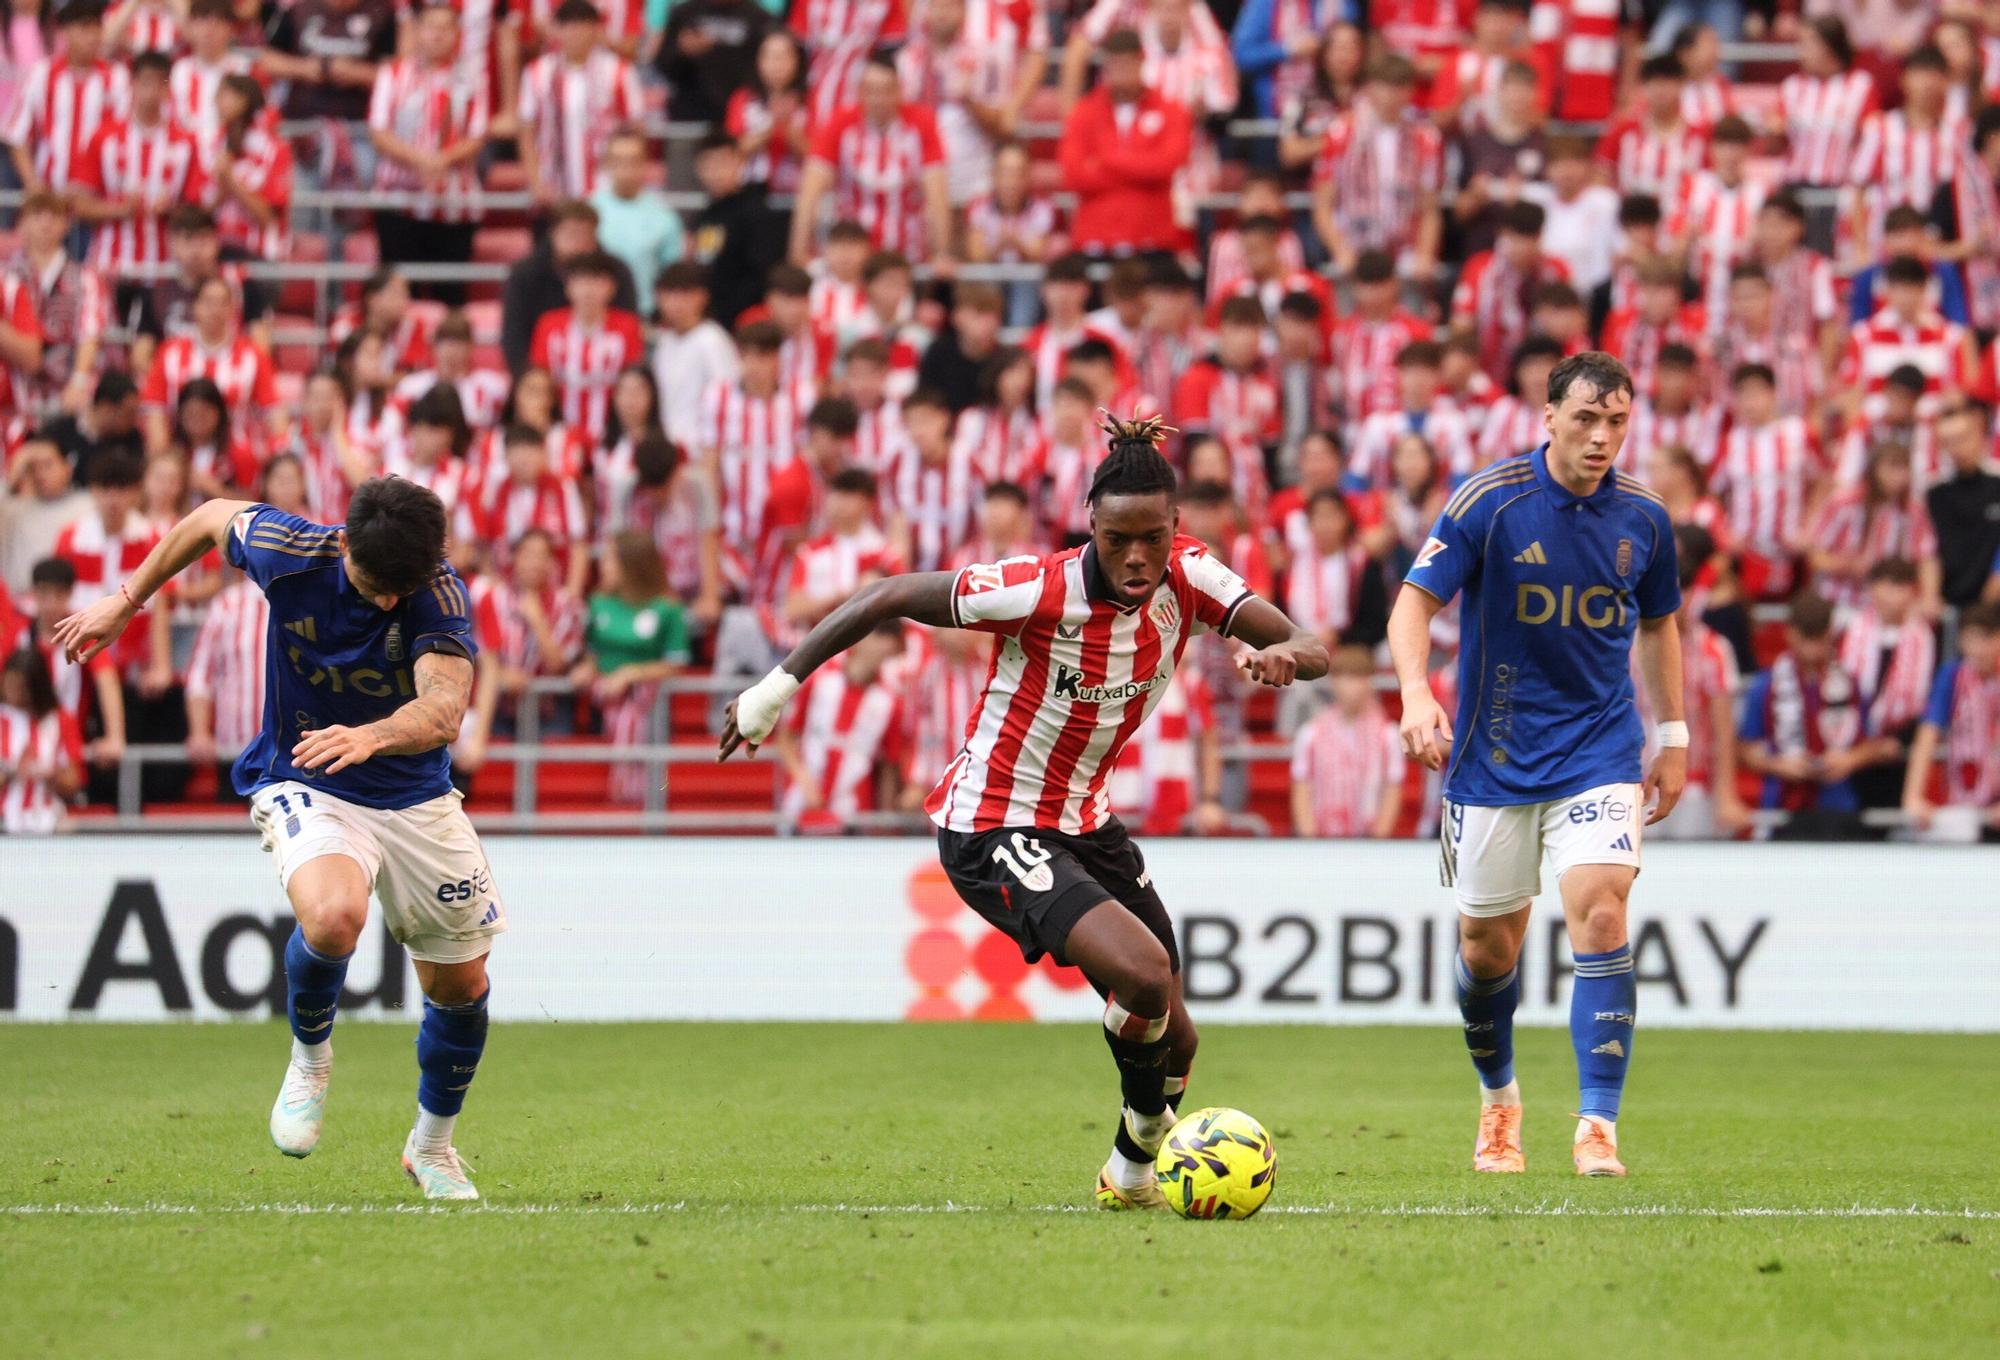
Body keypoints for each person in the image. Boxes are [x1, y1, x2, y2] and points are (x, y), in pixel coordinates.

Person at [718, 413, 1330, 1208]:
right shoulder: (1037, 588)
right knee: (1145, 977)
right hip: (993, 822)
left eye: (1152, 538)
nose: (1136, 556)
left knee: (1177, 1036)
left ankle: (1130, 1171)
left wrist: (1285, 655)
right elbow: (887, 595)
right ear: (1091, 527)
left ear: (1175, 527)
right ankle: (1150, 1143)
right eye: (1117, 540)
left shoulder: (1193, 574)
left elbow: (1312, 645)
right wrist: (774, 690)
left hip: (1085, 820)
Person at [52, 477, 500, 1200]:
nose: (391, 602)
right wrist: (127, 600)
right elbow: (207, 517)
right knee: (333, 915)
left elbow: (445, 709)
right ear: (344, 545)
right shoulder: (288, 551)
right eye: (378, 588)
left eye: (402, 591)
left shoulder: (436, 589)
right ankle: (310, 1058)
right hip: (307, 774)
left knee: (462, 985)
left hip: (415, 795)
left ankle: (432, 1147)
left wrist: (372, 736)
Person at [1391, 351, 1687, 1179]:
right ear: (1548, 417)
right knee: (1488, 949)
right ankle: (1499, 1103)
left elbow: (1660, 624)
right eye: (1586, 419)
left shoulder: (1646, 518)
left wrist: (1673, 734)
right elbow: (1413, 603)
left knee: (1602, 913)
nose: (1601, 438)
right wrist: (1415, 693)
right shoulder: (1490, 502)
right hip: (1493, 758)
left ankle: (1598, 1125)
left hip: (1599, 749)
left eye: (1616, 422)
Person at [1058, 28, 1193, 259]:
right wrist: (1142, 168)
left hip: (1153, 239)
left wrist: (1106, 160)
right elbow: (1073, 174)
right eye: (1115, 65)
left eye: (1127, 64)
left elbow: (1169, 163)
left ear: (1141, 63)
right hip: (1095, 239)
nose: (1121, 73)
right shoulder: (1083, 113)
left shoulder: (1171, 110)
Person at [1902, 601, 2000, 842]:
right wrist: (1912, 796)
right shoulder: (1953, 675)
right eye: (1970, 641)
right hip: (1966, 793)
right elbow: (1928, 734)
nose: (1977, 650)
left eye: (1984, 640)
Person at [1289, 643, 1403, 839]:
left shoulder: (1387, 734)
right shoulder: (1311, 733)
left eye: (1360, 678)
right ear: (1334, 682)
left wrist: (1380, 838)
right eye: (1347, 678)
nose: (1354, 687)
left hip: (1368, 838)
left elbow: (1392, 788)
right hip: (1323, 836)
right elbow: (1302, 787)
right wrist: (1309, 838)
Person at [590, 127, 683, 317]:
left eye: (633, 160)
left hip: (644, 316)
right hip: (595, 317)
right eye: (618, 160)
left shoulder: (664, 217)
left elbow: (673, 279)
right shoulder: (588, 212)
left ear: (645, 163)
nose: (626, 169)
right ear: (606, 163)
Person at [0, 645, 84, 832]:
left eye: (20, 687)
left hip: (46, 821)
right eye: (9, 684)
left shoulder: (60, 720)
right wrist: (11, 772)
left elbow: (74, 781)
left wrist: (49, 774)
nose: (12, 693)